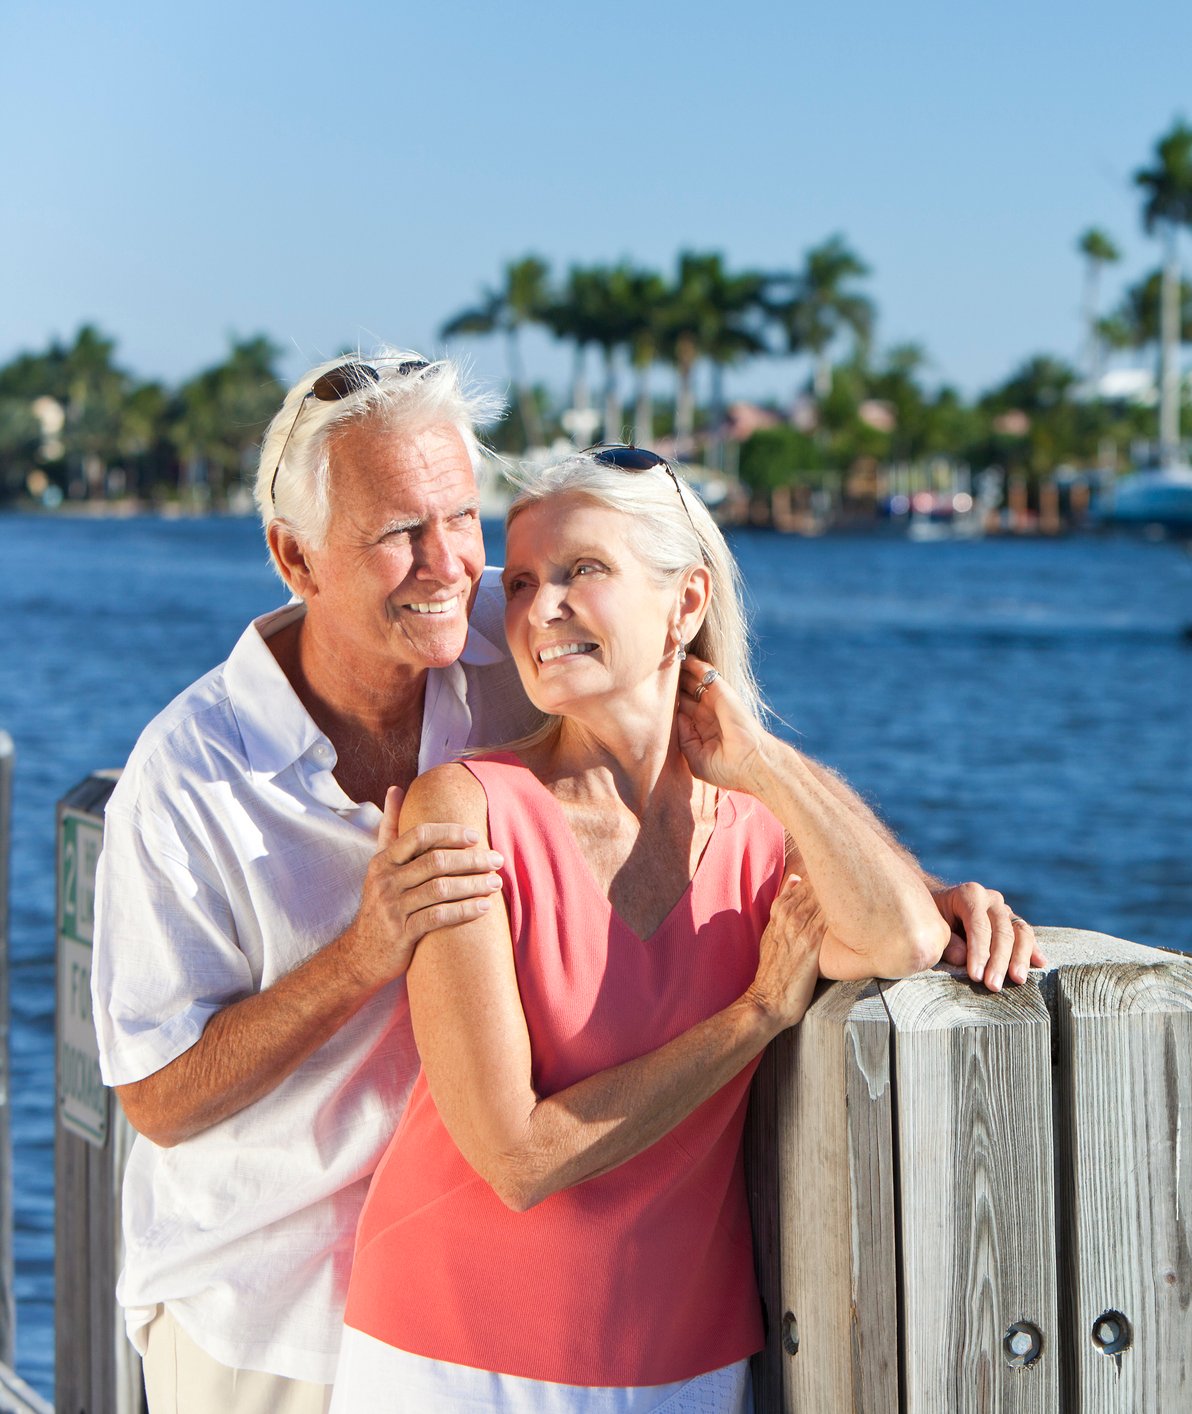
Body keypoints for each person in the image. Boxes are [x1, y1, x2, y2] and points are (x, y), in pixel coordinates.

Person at [90, 351, 1040, 1412]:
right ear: (295, 558)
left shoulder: (505, 631)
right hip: (260, 1299)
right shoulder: (191, 775)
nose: (454, 563)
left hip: (528, 1292)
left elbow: (690, 702)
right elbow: (157, 1099)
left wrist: (919, 890)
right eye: (401, 531)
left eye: (462, 518)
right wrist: (366, 950)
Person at [331, 448, 937, 1408]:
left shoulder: (758, 833)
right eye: (522, 582)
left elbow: (903, 938)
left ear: (685, 602)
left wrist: (763, 761)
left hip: (683, 1365)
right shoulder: (467, 811)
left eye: (583, 571)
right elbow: (515, 1158)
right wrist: (756, 1015)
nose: (540, 609)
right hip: (449, 1356)